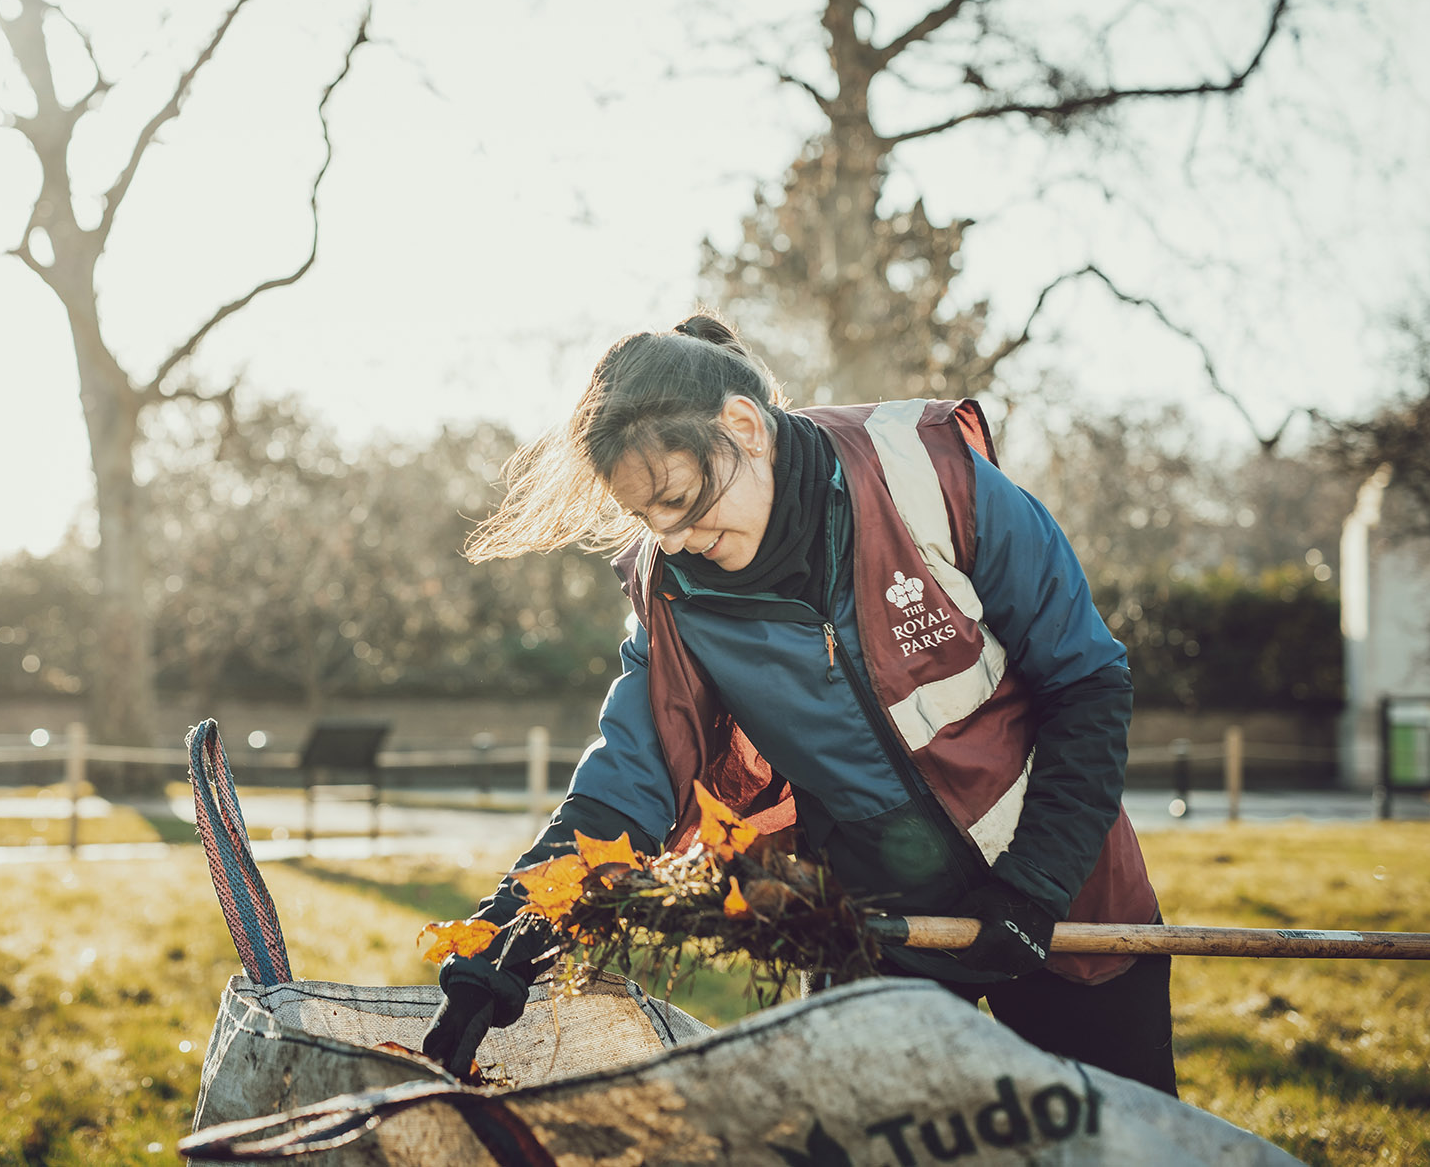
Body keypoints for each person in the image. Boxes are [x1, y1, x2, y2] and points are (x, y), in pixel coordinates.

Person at [421, 313, 1177, 1096]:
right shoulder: (673, 597)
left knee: (1125, 1143)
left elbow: (1087, 683)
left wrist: (1034, 886)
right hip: (882, 936)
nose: (672, 537)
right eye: (648, 518)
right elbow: (623, 786)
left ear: (744, 426)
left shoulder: (925, 472)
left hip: (1070, 903)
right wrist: (505, 926)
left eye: (680, 497)